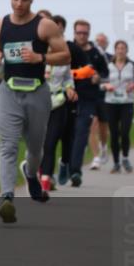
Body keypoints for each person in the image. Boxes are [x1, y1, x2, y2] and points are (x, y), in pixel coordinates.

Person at [0, 0, 70, 223]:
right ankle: (7, 199)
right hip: (8, 92)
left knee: (36, 148)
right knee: (8, 145)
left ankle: (31, 173)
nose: (19, 4)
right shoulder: (0, 24)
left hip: (37, 92)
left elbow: (65, 55)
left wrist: (40, 58)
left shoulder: (44, 26)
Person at [66, 20, 109, 187]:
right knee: (67, 133)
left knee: (82, 132)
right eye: (79, 33)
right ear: (74, 32)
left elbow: (106, 72)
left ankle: (75, 171)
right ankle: (64, 166)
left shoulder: (97, 53)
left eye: (85, 33)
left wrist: (98, 77)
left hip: (88, 98)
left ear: (89, 34)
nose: (82, 36)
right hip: (67, 97)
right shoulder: (67, 48)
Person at [38, 14, 76, 193]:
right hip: (37, 103)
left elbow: (68, 77)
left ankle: (45, 183)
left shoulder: (63, 55)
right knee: (37, 144)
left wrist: (70, 88)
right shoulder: (36, 52)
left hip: (58, 103)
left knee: (50, 143)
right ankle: (36, 173)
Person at [102, 40, 134, 174]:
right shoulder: (108, 66)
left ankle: (125, 158)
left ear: (127, 50)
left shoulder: (132, 65)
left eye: (123, 48)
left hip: (127, 102)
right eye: (118, 48)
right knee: (114, 133)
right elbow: (100, 82)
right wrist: (105, 86)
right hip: (111, 103)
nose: (120, 50)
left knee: (125, 132)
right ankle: (116, 163)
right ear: (115, 50)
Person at [88, 32, 113, 170]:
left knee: (104, 127)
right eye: (97, 41)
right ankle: (96, 157)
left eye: (102, 41)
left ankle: (103, 146)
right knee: (92, 125)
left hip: (105, 96)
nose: (99, 43)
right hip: (90, 95)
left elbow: (113, 76)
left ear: (106, 44)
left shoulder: (110, 58)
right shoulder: (89, 56)